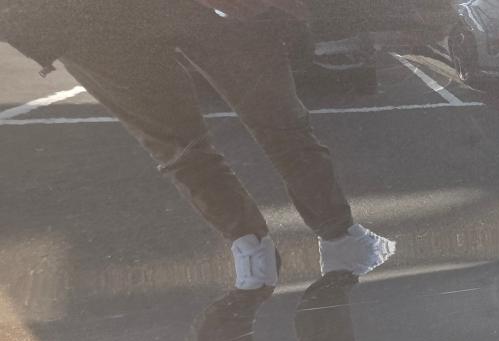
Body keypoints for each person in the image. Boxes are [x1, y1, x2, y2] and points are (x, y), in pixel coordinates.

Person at [0, 0, 395, 290]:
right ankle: (339, 238)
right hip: (93, 18)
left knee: (180, 147)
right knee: (277, 120)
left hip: (73, 18)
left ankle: (253, 255)